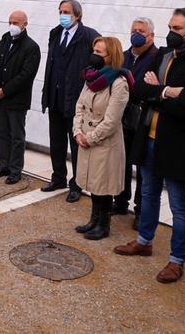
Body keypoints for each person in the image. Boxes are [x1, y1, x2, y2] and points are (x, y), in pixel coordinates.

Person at [113, 7, 185, 284]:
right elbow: (139, 90)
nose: (172, 33)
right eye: (170, 28)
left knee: (179, 205)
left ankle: (176, 260)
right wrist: (167, 91)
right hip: (150, 138)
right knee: (148, 193)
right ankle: (144, 240)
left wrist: (157, 91)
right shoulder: (164, 56)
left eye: (178, 29)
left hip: (179, 144)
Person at [71, 37, 133, 240]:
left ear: (111, 56)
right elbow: (80, 106)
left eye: (100, 53)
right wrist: (77, 132)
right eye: (94, 51)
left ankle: (103, 224)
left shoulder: (119, 83)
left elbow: (112, 120)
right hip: (87, 138)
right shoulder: (92, 77)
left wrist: (91, 138)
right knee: (93, 183)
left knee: (103, 185)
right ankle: (93, 219)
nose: (94, 55)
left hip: (105, 142)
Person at [40, 0, 100, 202]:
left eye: (66, 12)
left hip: (75, 101)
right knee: (56, 142)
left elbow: (98, 65)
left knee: (76, 146)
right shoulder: (55, 33)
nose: (62, 15)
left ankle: (77, 184)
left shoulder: (89, 36)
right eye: (60, 11)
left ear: (77, 15)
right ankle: (58, 177)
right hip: (55, 98)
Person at [114, 18, 159, 227]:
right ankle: (120, 200)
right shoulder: (123, 56)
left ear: (151, 35)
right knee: (121, 160)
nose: (137, 34)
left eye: (142, 31)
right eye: (134, 30)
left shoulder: (158, 58)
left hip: (143, 117)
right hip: (122, 116)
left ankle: (141, 210)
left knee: (142, 164)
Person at [0, 10, 41, 184]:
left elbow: (26, 75)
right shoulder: (5, 39)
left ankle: (15, 169)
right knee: (2, 133)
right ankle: (3, 164)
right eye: (10, 21)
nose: (12, 25)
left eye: (16, 23)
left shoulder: (31, 47)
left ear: (25, 24)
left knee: (17, 136)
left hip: (16, 100)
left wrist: (5, 90)